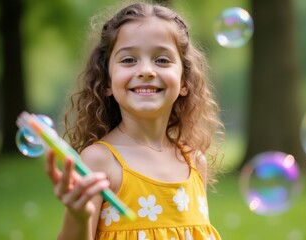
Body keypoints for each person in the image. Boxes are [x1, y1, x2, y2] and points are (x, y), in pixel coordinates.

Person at [45, 2, 225, 240]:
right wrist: (77, 216)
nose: (146, 70)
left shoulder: (193, 161)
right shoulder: (100, 160)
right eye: (129, 60)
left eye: (162, 60)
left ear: (185, 81)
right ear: (106, 81)